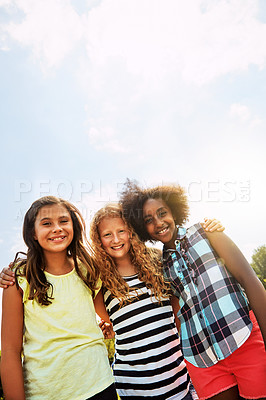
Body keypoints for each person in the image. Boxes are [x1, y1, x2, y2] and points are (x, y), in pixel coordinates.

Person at [120, 180, 266, 400]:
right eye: (148, 220)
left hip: (243, 340)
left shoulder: (207, 233)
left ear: (174, 211)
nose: (158, 223)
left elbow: (249, 279)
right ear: (143, 228)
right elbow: (178, 312)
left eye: (162, 213)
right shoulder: (161, 265)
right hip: (200, 358)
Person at [89, 203, 223, 399]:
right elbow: (110, 320)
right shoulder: (99, 280)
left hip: (178, 380)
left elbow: (177, 316)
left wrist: (212, 226)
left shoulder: (157, 261)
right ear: (99, 240)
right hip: (134, 387)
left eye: (121, 231)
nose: (116, 239)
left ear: (132, 232)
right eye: (107, 234)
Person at [1, 196, 116, 400]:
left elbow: (109, 316)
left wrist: (110, 327)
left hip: (101, 385)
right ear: (33, 233)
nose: (57, 228)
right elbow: (10, 351)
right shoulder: (18, 279)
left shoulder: (87, 270)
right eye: (46, 223)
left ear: (73, 225)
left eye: (64, 221)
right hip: (48, 393)